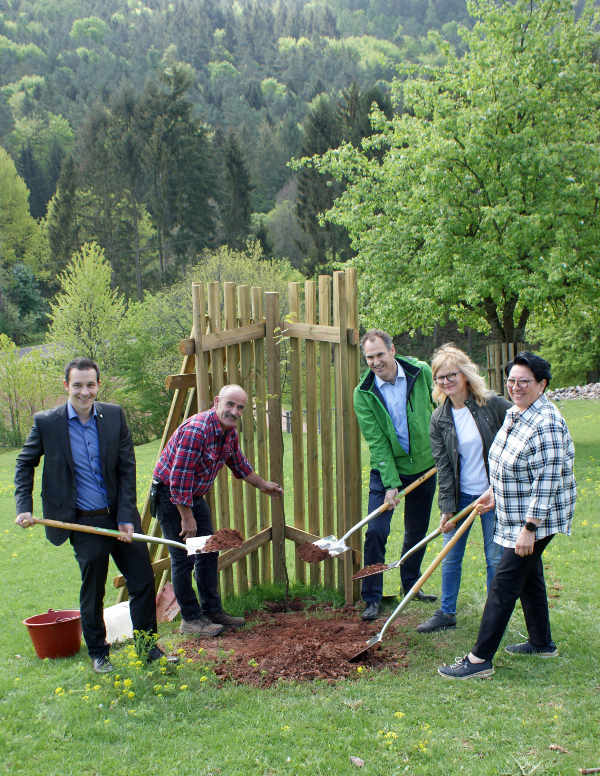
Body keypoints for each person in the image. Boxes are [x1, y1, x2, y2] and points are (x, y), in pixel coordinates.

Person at [14, 358, 170, 673]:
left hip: (118, 516)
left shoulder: (113, 416)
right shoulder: (48, 423)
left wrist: (126, 516)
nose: (84, 392)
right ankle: (99, 652)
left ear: (98, 385)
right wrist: (24, 507)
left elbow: (127, 468)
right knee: (94, 587)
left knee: (141, 580)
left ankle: (145, 646)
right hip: (82, 521)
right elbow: (24, 462)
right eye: (78, 385)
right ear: (66, 386)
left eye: (90, 385)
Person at [438, 352, 576, 679]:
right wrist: (492, 492)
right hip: (514, 510)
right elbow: (503, 464)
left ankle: (478, 660)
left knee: (504, 582)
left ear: (542, 384)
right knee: (529, 577)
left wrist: (530, 528)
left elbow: (546, 482)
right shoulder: (517, 413)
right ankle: (542, 643)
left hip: (536, 517)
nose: (515, 387)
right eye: (512, 380)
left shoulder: (548, 423)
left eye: (524, 382)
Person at [153, 384, 283, 637]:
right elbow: (179, 479)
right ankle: (190, 620)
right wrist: (187, 517)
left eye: (240, 407)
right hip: (171, 498)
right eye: (230, 404)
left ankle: (212, 611)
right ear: (216, 402)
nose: (234, 411)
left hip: (193, 495)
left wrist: (264, 485)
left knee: (208, 551)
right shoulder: (197, 430)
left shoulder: (228, 433)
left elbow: (240, 465)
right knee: (183, 557)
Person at [417, 344, 511, 634]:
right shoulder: (440, 418)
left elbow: (517, 436)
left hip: (493, 495)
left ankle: (494, 615)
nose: (446, 382)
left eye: (451, 375)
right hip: (462, 497)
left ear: (466, 375)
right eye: (440, 377)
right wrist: (446, 508)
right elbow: (444, 468)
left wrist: (504, 485)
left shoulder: (493, 405)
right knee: (450, 555)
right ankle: (446, 612)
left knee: (494, 557)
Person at [354, 329, 437, 621]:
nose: (375, 362)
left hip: (426, 465)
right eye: (369, 357)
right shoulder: (363, 393)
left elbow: (439, 409)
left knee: (417, 531)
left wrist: (443, 451)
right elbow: (376, 442)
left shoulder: (421, 372)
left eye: (379, 355)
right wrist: (390, 484)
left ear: (392, 350)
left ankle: (410, 585)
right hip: (387, 469)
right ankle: (372, 597)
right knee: (376, 531)